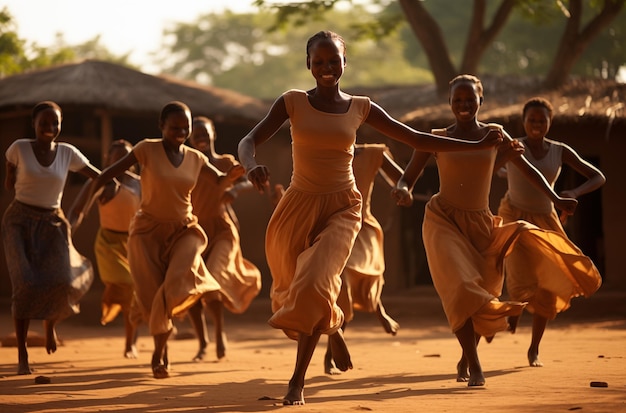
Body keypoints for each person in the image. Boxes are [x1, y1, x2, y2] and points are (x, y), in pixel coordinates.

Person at [237, 31, 504, 405]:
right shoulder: (292, 102)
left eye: (334, 61)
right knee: (289, 287)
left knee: (316, 283)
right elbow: (248, 141)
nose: (327, 68)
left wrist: (475, 144)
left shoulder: (361, 107)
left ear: (346, 64)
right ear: (307, 64)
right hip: (297, 206)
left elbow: (416, 139)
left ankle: (297, 381)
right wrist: (251, 166)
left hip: (344, 208)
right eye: (319, 61)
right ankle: (333, 327)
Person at [392, 74, 601, 387]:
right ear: (449, 103)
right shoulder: (436, 136)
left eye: (470, 99)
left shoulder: (494, 134)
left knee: (484, 293)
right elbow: (408, 175)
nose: (463, 105)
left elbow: (524, 166)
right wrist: (403, 189)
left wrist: (556, 196)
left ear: (481, 101)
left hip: (481, 224)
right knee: (462, 288)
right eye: (457, 100)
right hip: (443, 220)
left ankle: (466, 355)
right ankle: (475, 366)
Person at [84, 101, 244, 379]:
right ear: (161, 126)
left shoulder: (195, 158)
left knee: (174, 282)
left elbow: (220, 180)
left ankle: (171, 341)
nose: (181, 133)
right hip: (146, 233)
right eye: (174, 128)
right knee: (151, 293)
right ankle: (161, 350)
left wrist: (237, 175)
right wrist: (85, 200)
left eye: (185, 128)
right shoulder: (146, 149)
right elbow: (108, 173)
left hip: (184, 230)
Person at [496, 97, 605, 367]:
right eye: (531, 119)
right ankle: (516, 306)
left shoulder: (559, 150)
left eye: (541, 120)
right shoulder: (513, 146)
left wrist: (573, 192)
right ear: (523, 121)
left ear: (550, 122)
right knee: (519, 273)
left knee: (547, 283)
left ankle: (534, 348)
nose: (536, 124)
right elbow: (490, 164)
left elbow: (598, 176)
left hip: (546, 217)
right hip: (514, 214)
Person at [2, 101, 100, 375]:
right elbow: (9, 179)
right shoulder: (19, 148)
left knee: (62, 280)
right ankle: (22, 354)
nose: (50, 128)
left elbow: (96, 175)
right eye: (44, 123)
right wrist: (11, 174)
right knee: (24, 282)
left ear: (60, 125)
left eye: (55, 123)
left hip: (53, 221)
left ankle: (50, 324)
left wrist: (120, 180)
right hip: (18, 221)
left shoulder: (68, 153)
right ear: (34, 124)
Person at [186, 116, 261, 361]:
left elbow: (249, 180)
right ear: (189, 137)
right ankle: (203, 342)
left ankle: (219, 334)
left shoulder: (226, 162)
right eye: (196, 136)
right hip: (195, 232)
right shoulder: (186, 163)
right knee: (193, 287)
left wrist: (235, 189)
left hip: (222, 231)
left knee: (214, 278)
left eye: (204, 135)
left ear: (212, 135)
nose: (201, 140)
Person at [72, 139, 142, 359]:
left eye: (126, 157)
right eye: (116, 157)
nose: (121, 161)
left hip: (133, 243)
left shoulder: (139, 183)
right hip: (108, 244)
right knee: (126, 284)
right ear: (107, 160)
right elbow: (79, 211)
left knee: (134, 293)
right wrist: (67, 234)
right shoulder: (100, 182)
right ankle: (130, 338)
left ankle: (130, 341)